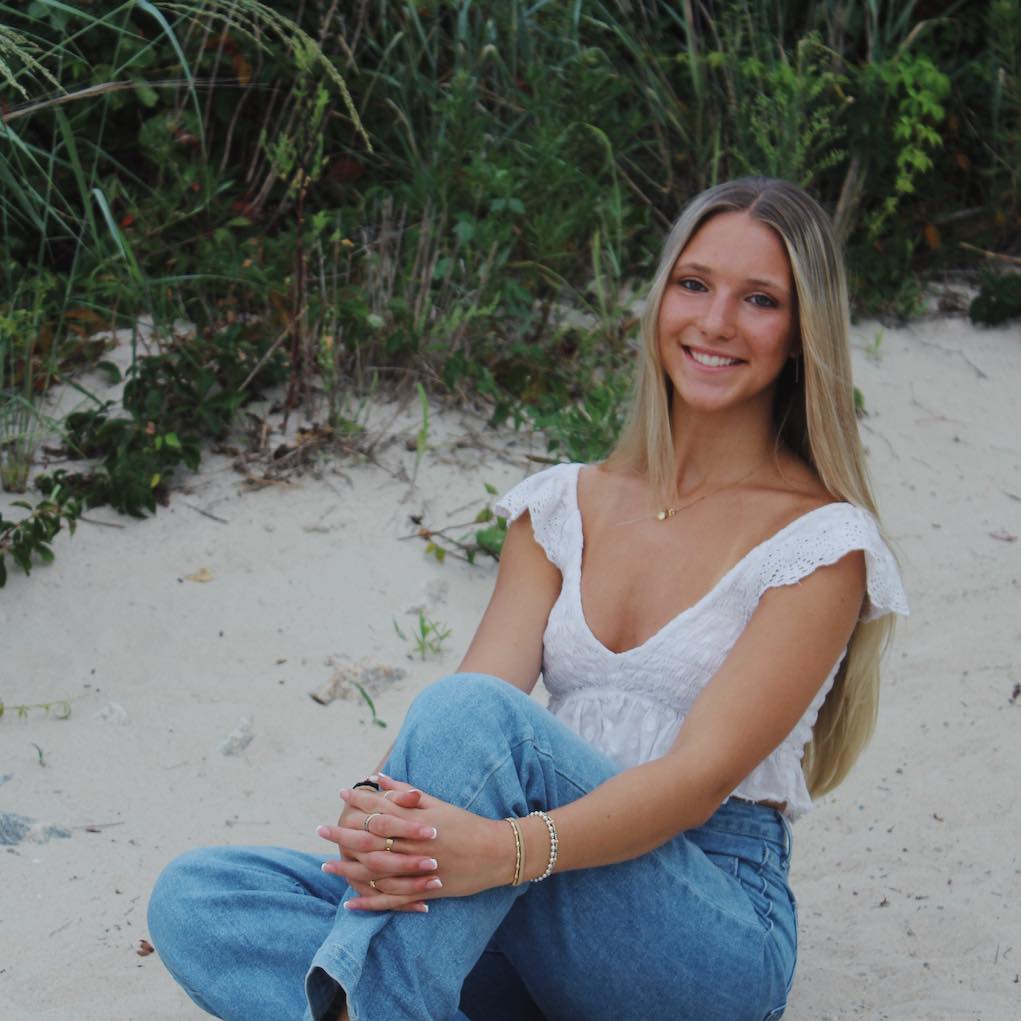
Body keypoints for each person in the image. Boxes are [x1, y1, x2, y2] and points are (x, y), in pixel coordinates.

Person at [147, 177, 909, 1021]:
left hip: (699, 925)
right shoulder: (561, 506)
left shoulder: (819, 542)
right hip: (520, 892)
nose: (715, 321)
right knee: (200, 897)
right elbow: (460, 725)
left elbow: (693, 781)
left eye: (759, 299)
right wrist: (381, 821)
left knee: (469, 723)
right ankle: (404, 1000)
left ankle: (383, 1005)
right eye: (693, 284)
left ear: (802, 333)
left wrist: (504, 850)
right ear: (659, 300)